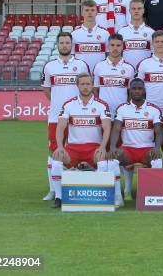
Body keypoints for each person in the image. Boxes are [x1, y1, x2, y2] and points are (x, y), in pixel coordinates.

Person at [49, 73, 117, 208]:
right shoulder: (69, 104)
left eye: (88, 84)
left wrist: (103, 147)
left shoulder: (101, 105)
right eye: (82, 84)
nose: (85, 87)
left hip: (94, 148)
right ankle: (59, 197)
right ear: (77, 85)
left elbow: (107, 128)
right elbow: (60, 127)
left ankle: (97, 195)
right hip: (73, 148)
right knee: (56, 162)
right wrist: (60, 147)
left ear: (92, 85)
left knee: (103, 164)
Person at [41, 32, 90, 201]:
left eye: (67, 42)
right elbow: (47, 90)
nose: (64, 45)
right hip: (55, 118)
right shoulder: (49, 66)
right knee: (54, 152)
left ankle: (74, 184)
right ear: (57, 45)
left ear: (72, 44)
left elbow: (87, 88)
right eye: (61, 42)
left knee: (74, 150)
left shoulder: (82, 65)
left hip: (77, 117)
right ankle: (53, 190)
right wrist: (58, 104)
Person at [110, 78, 163, 200]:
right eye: (134, 88)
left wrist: (156, 148)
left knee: (158, 161)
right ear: (129, 91)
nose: (137, 91)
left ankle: (152, 197)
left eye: (139, 89)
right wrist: (113, 146)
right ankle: (119, 196)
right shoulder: (122, 108)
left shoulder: (153, 109)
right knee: (113, 160)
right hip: (128, 149)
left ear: (144, 91)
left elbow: (159, 132)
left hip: (146, 149)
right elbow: (116, 129)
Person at [92, 34, 136, 118]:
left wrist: (126, 108)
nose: (115, 48)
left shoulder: (129, 68)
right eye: (112, 45)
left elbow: (131, 92)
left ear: (122, 47)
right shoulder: (99, 66)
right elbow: (95, 90)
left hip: (122, 113)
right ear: (108, 46)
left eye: (118, 45)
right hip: (104, 113)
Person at [71, 0, 110, 71]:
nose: (89, 12)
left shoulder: (105, 33)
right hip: (81, 74)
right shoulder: (74, 34)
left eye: (92, 10)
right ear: (82, 13)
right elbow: (71, 57)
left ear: (96, 12)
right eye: (87, 10)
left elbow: (108, 55)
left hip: (100, 73)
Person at [118, 0, 155, 67]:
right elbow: (117, 54)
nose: (136, 11)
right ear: (129, 11)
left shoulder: (151, 32)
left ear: (143, 10)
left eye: (139, 8)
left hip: (145, 70)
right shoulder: (121, 32)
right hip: (126, 71)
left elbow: (154, 54)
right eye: (133, 9)